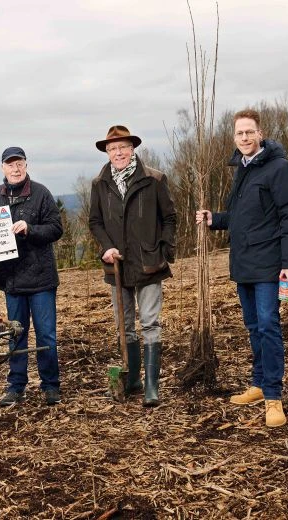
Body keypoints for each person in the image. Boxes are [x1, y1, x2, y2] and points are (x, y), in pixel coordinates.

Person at [196, 109, 288, 428]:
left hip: (270, 264)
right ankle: (258, 384)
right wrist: (215, 219)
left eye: (249, 132)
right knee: (254, 326)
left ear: (260, 134)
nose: (244, 138)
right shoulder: (241, 170)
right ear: (234, 138)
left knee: (269, 326)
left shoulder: (279, 168)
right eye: (239, 133)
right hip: (243, 263)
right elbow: (243, 217)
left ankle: (273, 396)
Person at [89, 125, 177, 407]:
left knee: (150, 323)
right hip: (117, 266)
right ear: (107, 152)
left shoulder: (154, 178)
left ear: (133, 149)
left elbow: (170, 218)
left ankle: (152, 385)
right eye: (112, 148)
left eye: (123, 147)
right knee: (124, 327)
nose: (118, 153)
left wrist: (163, 250)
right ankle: (133, 380)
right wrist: (106, 247)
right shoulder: (99, 183)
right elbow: (95, 222)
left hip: (150, 264)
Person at [0, 146, 63, 406]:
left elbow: (56, 229)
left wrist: (30, 229)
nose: (15, 169)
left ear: (26, 166)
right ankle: (16, 386)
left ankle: (50, 385)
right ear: (2, 168)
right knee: (15, 334)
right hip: (13, 280)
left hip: (41, 278)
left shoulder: (41, 193)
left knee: (46, 335)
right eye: (10, 165)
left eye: (19, 164)